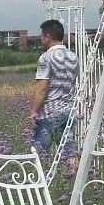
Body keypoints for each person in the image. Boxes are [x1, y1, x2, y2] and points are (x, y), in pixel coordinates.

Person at [30, 19, 78, 159]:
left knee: (38, 152)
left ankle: (37, 177)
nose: (41, 39)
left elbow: (42, 88)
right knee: (69, 152)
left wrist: (33, 112)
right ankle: (73, 176)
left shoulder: (46, 58)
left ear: (48, 37)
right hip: (68, 110)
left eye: (42, 36)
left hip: (49, 111)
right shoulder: (73, 57)